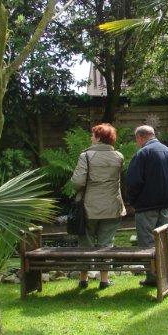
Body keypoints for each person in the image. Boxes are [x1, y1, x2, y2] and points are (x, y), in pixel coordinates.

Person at [126, 125, 168, 286]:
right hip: (166, 206)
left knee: (147, 243)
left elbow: (133, 182)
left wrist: (133, 201)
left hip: (146, 207)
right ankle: (164, 276)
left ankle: (153, 277)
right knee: (163, 241)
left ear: (140, 137)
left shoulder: (142, 154)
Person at [70, 123, 126, 290]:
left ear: (99, 138)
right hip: (113, 206)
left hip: (89, 208)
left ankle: (83, 278)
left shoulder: (86, 156)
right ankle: (104, 280)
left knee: (85, 244)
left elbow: (78, 181)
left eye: (93, 135)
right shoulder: (119, 156)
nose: (91, 137)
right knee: (106, 243)